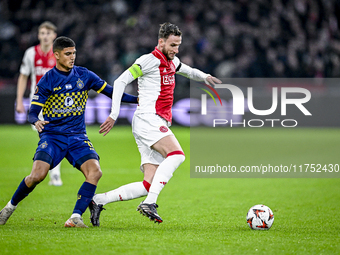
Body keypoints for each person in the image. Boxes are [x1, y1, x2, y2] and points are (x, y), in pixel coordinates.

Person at [89, 22, 222, 226]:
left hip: (152, 121)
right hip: (148, 118)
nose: (176, 50)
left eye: (178, 45)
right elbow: (120, 81)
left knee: (147, 184)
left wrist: (206, 77)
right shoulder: (148, 61)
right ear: (161, 42)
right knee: (177, 155)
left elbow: (189, 71)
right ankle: (149, 203)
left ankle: (98, 200)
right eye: (172, 45)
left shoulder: (172, 61)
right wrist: (114, 114)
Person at [0, 36, 138, 228]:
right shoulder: (48, 79)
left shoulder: (84, 75)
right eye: (68, 54)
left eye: (74, 53)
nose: (72, 57)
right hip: (52, 136)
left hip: (77, 136)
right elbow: (32, 111)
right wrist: (36, 121)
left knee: (95, 172)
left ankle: (75, 217)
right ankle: (8, 208)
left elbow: (112, 92)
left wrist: (138, 100)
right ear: (56, 55)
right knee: (37, 176)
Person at [16, 21, 63, 186]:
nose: (45, 36)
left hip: (57, 103)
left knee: (52, 136)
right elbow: (23, 76)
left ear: (54, 36)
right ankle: (49, 171)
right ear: (38, 35)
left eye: (48, 33)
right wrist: (19, 100)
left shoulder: (59, 53)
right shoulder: (30, 53)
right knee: (45, 137)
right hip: (37, 103)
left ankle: (54, 173)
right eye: (42, 33)